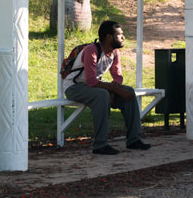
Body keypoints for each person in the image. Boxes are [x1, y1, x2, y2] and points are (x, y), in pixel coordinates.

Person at [63, 21, 151, 155]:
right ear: (109, 37)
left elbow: (117, 76)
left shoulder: (115, 52)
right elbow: (91, 81)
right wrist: (111, 90)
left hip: (94, 86)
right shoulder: (91, 50)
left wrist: (114, 88)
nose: (123, 37)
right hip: (74, 87)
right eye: (120, 34)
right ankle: (100, 144)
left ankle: (134, 140)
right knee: (102, 95)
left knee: (128, 92)